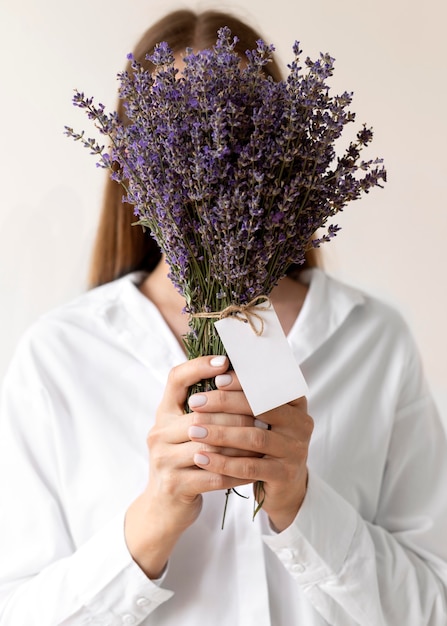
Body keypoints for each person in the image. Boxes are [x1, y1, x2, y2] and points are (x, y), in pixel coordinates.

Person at [0, 9, 446, 626]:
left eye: (236, 134)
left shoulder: (372, 340)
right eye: (175, 139)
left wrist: (302, 504)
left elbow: (430, 606)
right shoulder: (61, 355)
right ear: (132, 161)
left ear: (283, 151)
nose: (209, 165)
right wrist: (151, 520)